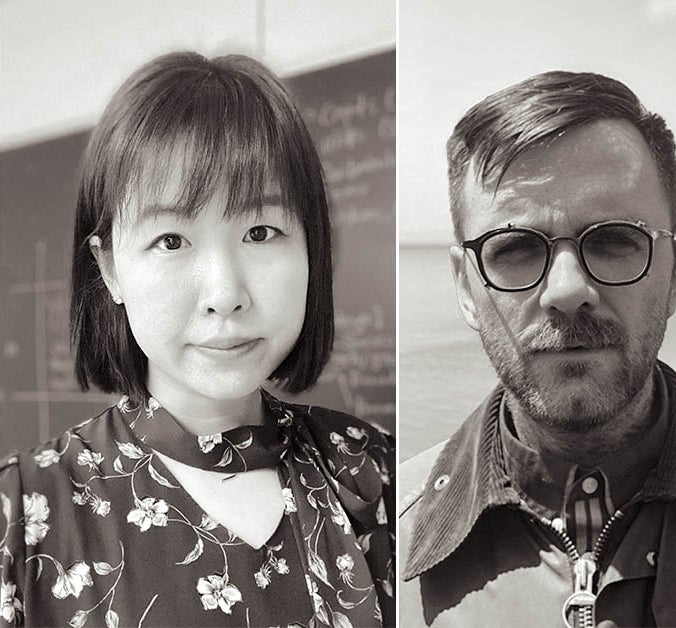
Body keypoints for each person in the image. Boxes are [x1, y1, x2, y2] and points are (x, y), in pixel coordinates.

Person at [0, 53, 394, 627]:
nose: (225, 293)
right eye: (171, 240)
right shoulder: (21, 516)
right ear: (109, 269)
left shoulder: (372, 471)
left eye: (261, 232)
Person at [396, 71, 676, 627]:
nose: (566, 292)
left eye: (612, 241)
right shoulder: (386, 539)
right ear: (466, 288)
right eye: (514, 248)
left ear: (675, 273)